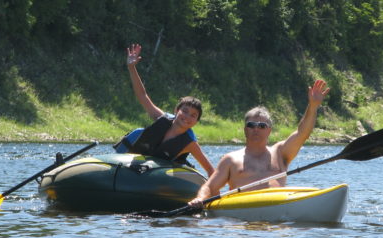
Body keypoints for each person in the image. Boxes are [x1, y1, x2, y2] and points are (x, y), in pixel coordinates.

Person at [189, 79, 330, 207]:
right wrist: (200, 199)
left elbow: (302, 133)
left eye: (262, 126)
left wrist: (313, 106)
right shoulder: (230, 159)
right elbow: (210, 187)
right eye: (251, 125)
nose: (256, 129)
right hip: (241, 217)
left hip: (276, 215)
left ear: (269, 131)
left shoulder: (281, 152)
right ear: (245, 129)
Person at [114, 44, 214, 177]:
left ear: (196, 122)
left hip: (159, 177)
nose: (187, 117)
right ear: (176, 110)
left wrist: (215, 194)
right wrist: (131, 67)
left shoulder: (190, 143)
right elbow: (142, 96)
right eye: (184, 111)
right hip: (131, 166)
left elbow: (210, 170)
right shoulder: (161, 118)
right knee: (138, 132)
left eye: (193, 115)